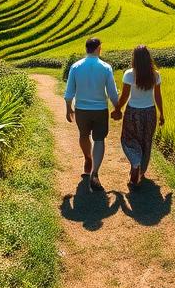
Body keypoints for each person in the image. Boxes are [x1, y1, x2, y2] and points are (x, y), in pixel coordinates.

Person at [63, 36, 120, 192]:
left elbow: (69, 91)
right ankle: (94, 172)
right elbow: (112, 92)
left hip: (81, 108)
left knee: (83, 135)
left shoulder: (75, 66)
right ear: (98, 48)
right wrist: (117, 107)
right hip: (100, 109)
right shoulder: (106, 67)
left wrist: (68, 107)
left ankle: (88, 159)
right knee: (99, 139)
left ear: (86, 48)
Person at [112, 45, 164, 188]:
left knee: (128, 139)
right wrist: (161, 114)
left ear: (134, 58)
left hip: (133, 112)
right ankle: (140, 172)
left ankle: (135, 164)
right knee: (146, 142)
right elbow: (158, 96)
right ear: (148, 58)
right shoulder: (156, 75)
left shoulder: (129, 74)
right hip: (150, 112)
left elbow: (124, 96)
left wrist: (117, 109)